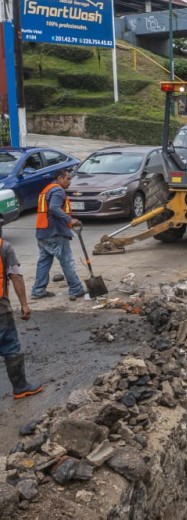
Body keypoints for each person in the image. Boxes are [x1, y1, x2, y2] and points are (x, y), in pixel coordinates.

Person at [0, 219, 42, 399]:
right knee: (10, 345)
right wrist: (24, 304)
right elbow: (15, 276)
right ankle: (21, 387)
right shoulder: (4, 247)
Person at [31, 168, 86, 301]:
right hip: (55, 232)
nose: (70, 181)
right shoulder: (57, 190)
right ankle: (76, 289)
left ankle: (38, 290)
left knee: (44, 261)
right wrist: (70, 220)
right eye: (68, 178)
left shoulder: (47, 189)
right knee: (67, 261)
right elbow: (54, 208)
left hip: (43, 232)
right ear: (60, 178)